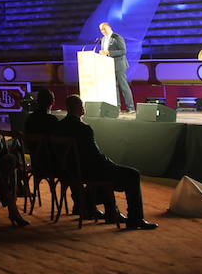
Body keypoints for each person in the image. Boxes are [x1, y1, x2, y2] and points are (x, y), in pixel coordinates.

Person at [56, 95, 157, 230]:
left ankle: (106, 211)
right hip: (88, 171)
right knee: (132, 175)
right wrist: (111, 164)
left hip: (70, 171)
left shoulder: (59, 127)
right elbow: (95, 157)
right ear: (81, 109)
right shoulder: (84, 129)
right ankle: (135, 219)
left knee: (105, 172)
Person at [98, 21, 135, 113]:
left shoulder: (117, 37)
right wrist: (102, 53)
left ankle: (131, 108)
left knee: (124, 86)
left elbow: (123, 51)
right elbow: (105, 52)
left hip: (119, 65)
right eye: (101, 30)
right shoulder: (103, 39)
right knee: (114, 87)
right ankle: (117, 107)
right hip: (109, 66)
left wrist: (109, 53)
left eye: (104, 29)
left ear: (109, 28)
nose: (103, 31)